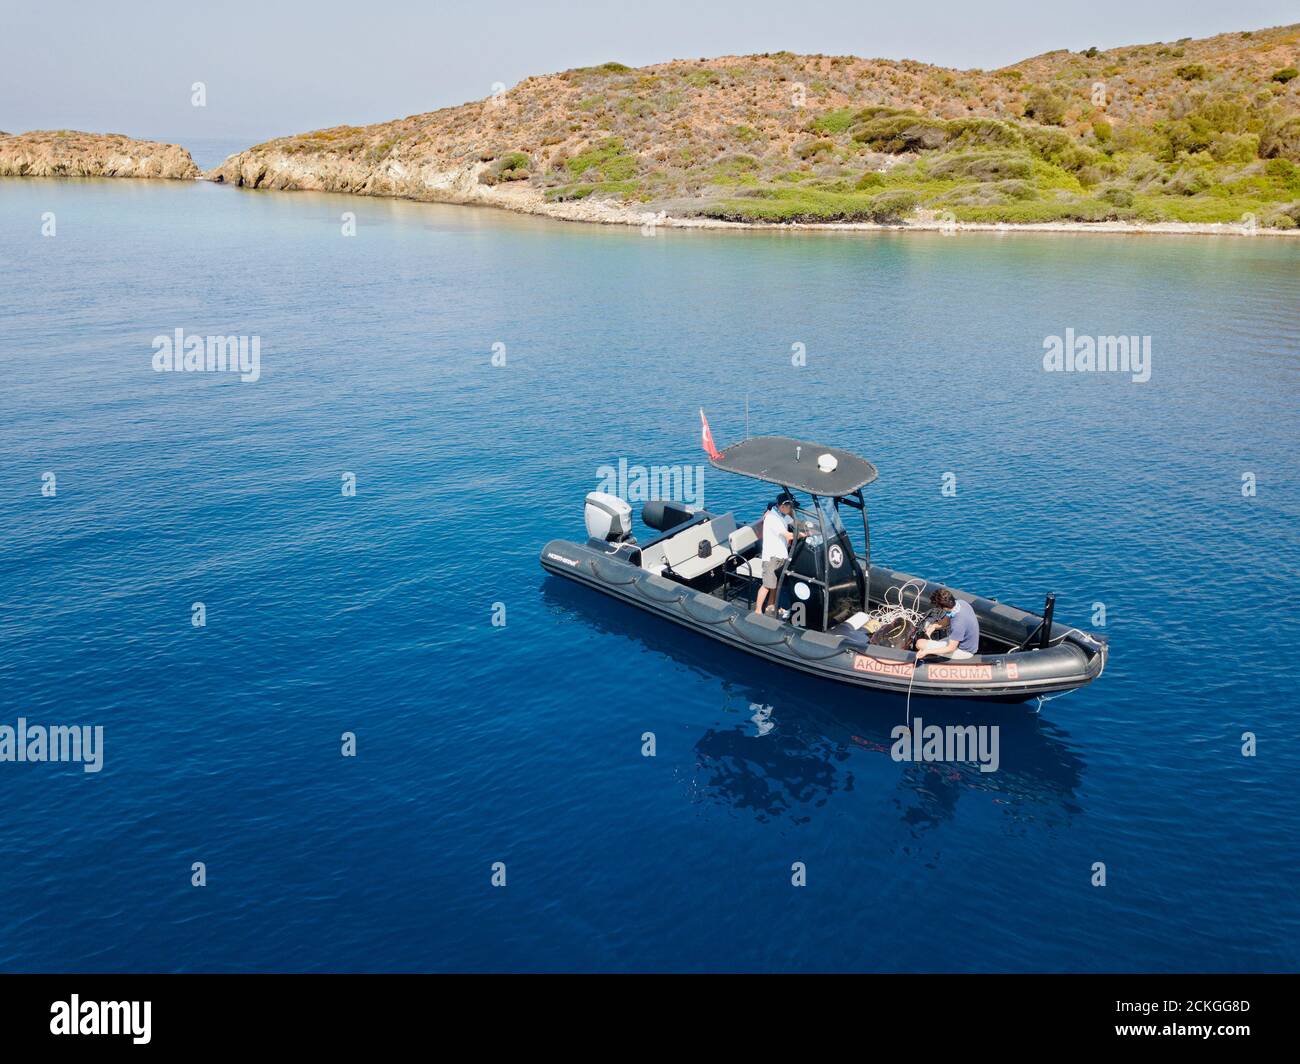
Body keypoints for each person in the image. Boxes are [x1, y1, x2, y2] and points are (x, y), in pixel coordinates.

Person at [754, 493, 799, 616]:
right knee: (767, 585)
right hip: (771, 557)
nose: (792, 509)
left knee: (776, 583)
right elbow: (789, 535)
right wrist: (805, 534)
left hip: (781, 555)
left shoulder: (782, 515)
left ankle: (771, 605)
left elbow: (795, 523)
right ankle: (757, 611)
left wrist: (809, 526)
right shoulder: (772, 518)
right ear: (783, 506)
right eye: (790, 506)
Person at [914, 587, 981, 661]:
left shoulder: (958, 623)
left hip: (964, 651)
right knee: (931, 643)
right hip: (963, 642)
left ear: (944, 608)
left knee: (920, 644)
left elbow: (951, 648)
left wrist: (926, 651)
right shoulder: (961, 603)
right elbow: (946, 621)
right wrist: (933, 627)